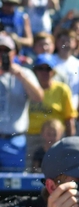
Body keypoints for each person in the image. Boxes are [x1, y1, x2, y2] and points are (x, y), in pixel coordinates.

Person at [0, 33, 44, 171]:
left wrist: (21, 76)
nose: (2, 54)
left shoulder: (24, 73)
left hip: (15, 140)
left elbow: (39, 97)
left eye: (6, 51)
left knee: (12, 185)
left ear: (14, 53)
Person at [26, 54, 76, 170]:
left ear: (53, 72)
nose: (44, 72)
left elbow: (69, 118)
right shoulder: (28, 88)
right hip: (32, 137)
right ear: (35, 71)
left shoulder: (62, 90)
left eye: (48, 69)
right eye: (40, 69)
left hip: (55, 137)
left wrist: (69, 143)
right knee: (30, 171)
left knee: (57, 171)